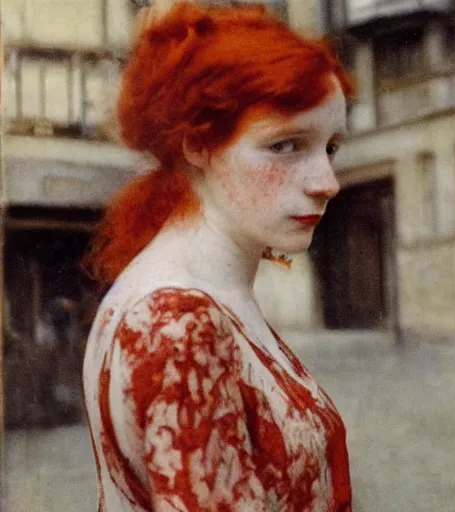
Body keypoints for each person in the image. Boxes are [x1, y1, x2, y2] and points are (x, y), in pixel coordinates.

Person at [80, 1, 355, 509]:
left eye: (330, 148)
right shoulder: (180, 324)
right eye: (285, 146)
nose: (327, 183)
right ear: (197, 146)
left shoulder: (200, 295)